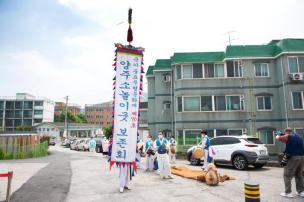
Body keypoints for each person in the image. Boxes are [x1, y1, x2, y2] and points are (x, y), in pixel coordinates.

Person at [276, 127, 304, 198]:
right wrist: (283, 134)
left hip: (293, 157)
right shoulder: (298, 136)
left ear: (286, 132)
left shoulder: (288, 136)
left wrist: (278, 136)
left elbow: (280, 138)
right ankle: (301, 192)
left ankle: (288, 193)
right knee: (299, 175)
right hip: (301, 157)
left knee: (287, 175)